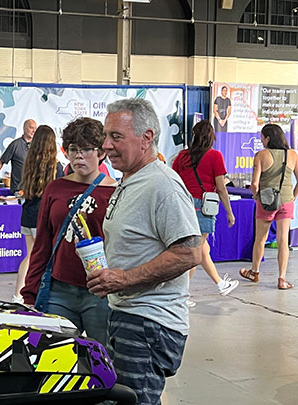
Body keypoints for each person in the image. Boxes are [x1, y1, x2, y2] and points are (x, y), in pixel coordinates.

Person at [86, 99, 202, 403]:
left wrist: (124, 279)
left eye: (116, 137)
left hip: (148, 323)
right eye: (106, 136)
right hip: (127, 316)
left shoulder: (162, 184)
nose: (106, 145)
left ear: (147, 138)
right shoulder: (130, 180)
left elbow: (189, 253)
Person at [21, 117, 116, 345]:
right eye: (73, 149)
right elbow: (42, 245)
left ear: (101, 152)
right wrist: (30, 293)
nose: (78, 156)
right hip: (58, 290)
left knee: (103, 359)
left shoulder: (115, 193)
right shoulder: (56, 188)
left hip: (100, 292)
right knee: (52, 355)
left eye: (86, 149)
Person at [172, 120, 239, 298]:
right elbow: (221, 187)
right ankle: (182, 294)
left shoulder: (182, 156)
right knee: (197, 251)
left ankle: (219, 283)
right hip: (204, 207)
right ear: (211, 138)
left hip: (184, 204)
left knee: (202, 249)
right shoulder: (215, 156)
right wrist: (230, 213)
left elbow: (174, 182)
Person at [239, 124, 298, 290]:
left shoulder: (261, 155)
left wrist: (257, 197)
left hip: (266, 201)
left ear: (268, 138)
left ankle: (255, 272)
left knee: (261, 238)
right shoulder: (292, 155)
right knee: (283, 240)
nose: (261, 140)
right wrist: (293, 195)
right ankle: (282, 279)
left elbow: (254, 184)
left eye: (262, 137)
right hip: (286, 201)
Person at [12, 125, 64, 303]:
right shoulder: (56, 167)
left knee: (30, 255)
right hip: (44, 217)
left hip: (27, 215)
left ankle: (18, 295)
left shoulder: (28, 162)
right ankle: (40, 295)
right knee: (46, 257)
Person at [0, 119, 36, 193]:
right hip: (18, 189)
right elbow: (2, 161)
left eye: (35, 128)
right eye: (31, 128)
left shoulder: (37, 145)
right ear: (24, 128)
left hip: (33, 189)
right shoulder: (15, 145)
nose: (34, 131)